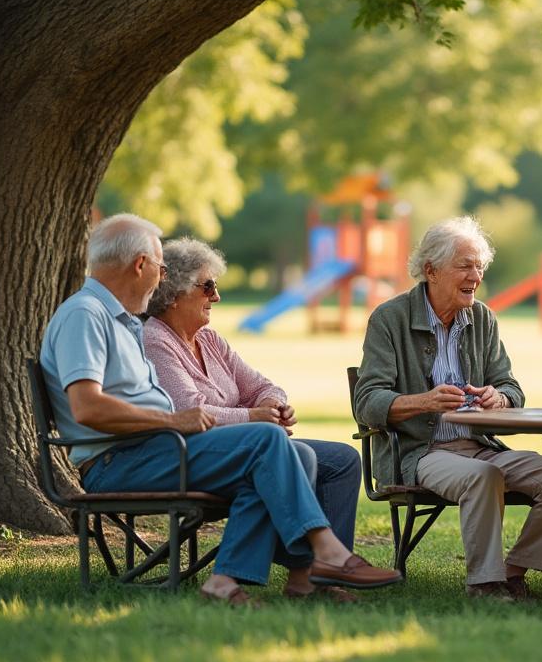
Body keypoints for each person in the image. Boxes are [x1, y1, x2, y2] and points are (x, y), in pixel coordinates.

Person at [40, 213, 399, 606]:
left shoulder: (119, 321)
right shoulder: (86, 315)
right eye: (161, 268)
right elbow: (87, 407)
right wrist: (173, 420)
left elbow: (249, 388)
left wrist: (256, 408)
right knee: (266, 442)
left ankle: (227, 582)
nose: (162, 279)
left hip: (156, 449)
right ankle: (326, 555)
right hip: (122, 460)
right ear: (140, 265)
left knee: (292, 453)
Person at [353, 216, 542, 600]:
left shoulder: (482, 319)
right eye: (465, 265)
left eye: (479, 266)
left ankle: (512, 572)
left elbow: (511, 387)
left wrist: (501, 398)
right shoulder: (390, 319)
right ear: (430, 270)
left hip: (479, 447)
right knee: (484, 477)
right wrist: (423, 402)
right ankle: (484, 584)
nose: (475, 275)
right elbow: (367, 402)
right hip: (421, 452)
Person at [143, 238, 364, 602]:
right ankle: (307, 570)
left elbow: (262, 385)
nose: (216, 297)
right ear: (173, 294)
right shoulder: (156, 341)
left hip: (240, 444)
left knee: (341, 460)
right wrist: (254, 417)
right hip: (192, 452)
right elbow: (190, 408)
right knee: (291, 455)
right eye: (208, 286)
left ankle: (315, 576)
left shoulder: (210, 340)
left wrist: (273, 406)